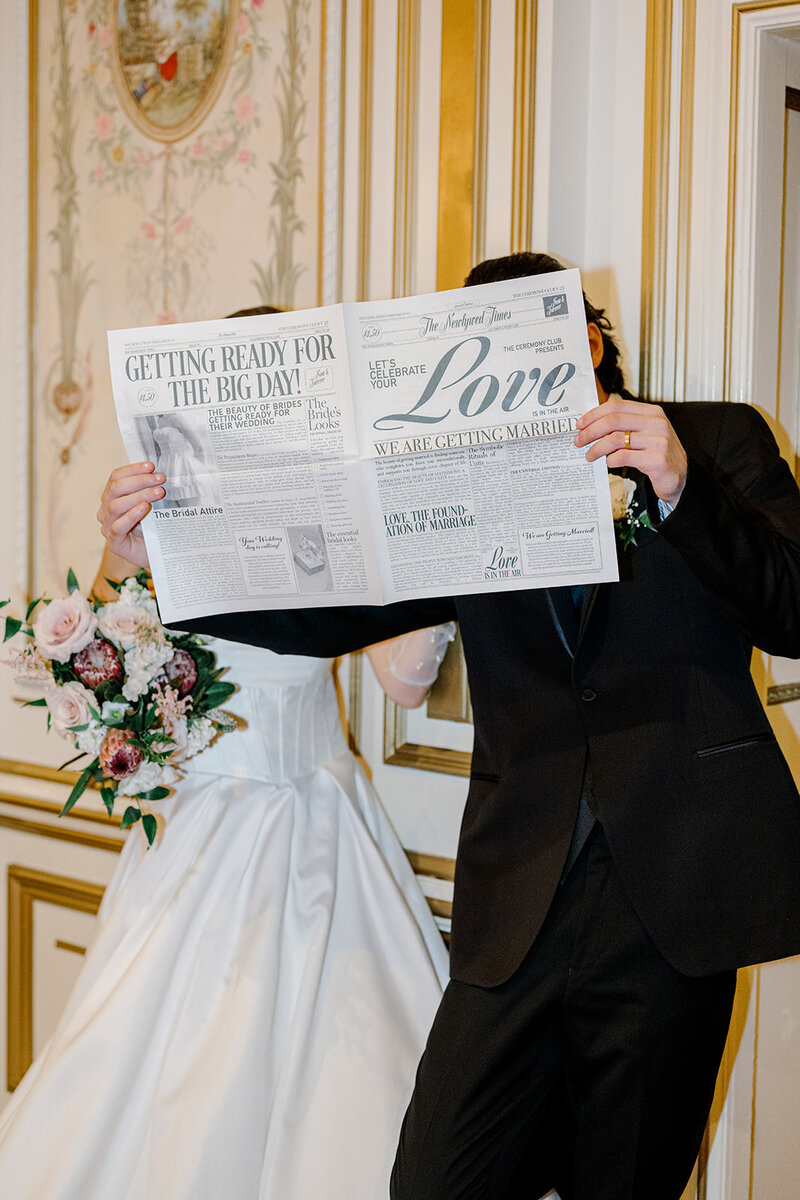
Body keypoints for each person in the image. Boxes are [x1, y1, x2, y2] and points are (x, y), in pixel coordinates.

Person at [97, 252, 800, 1199]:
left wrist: (680, 487)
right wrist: (164, 559)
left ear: (585, 338)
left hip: (677, 891)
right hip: (518, 897)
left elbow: (793, 609)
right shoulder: (449, 481)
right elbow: (327, 612)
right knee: (434, 1181)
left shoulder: (716, 440)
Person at [0, 539, 452, 1199]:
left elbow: (403, 685)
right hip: (192, 832)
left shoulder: (337, 493)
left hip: (316, 826)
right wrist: (115, 549)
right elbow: (94, 652)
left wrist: (431, 564)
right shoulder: (173, 475)